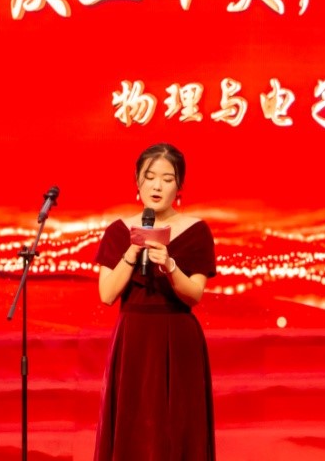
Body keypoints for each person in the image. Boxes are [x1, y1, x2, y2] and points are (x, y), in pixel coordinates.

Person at [92, 142, 217, 461]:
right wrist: (131, 253)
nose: (157, 186)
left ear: (179, 186)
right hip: (133, 339)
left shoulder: (196, 231)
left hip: (178, 338)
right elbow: (107, 295)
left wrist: (171, 267)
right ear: (137, 182)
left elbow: (195, 294)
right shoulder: (118, 231)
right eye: (149, 177)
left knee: (176, 426)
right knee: (133, 427)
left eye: (167, 178)